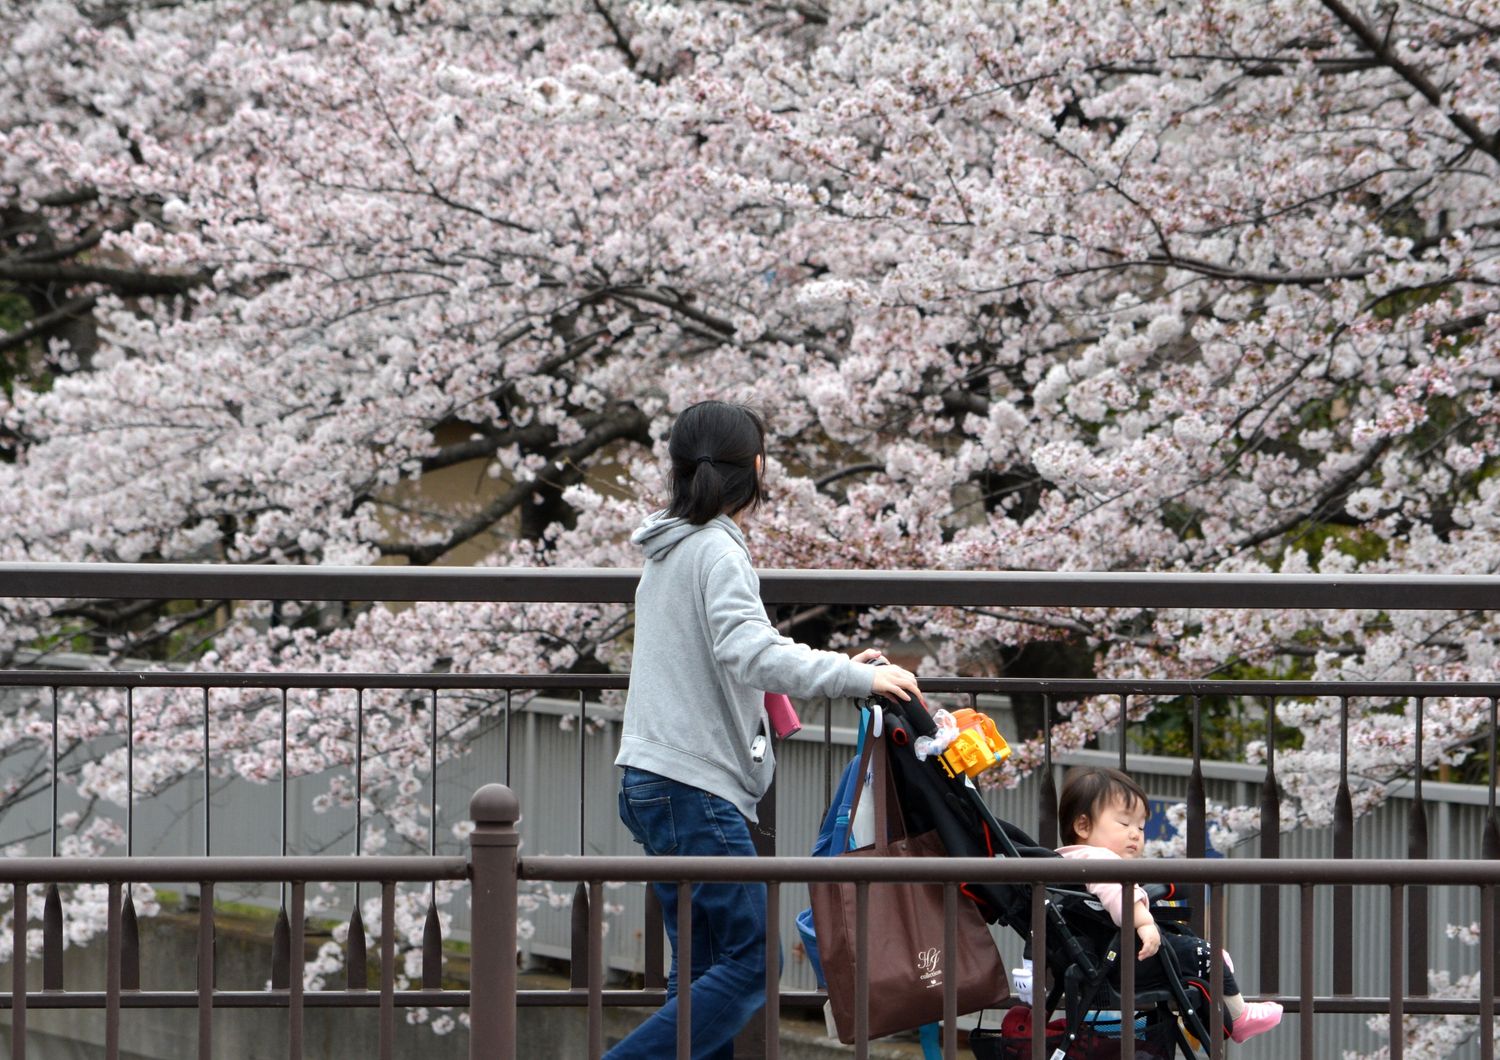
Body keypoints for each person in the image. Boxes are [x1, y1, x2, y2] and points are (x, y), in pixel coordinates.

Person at [608, 400, 924, 1060]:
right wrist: (855, 678)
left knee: (700, 974)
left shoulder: (668, 548)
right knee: (753, 964)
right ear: (756, 468)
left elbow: (735, 644)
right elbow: (749, 652)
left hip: (653, 778)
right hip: (693, 787)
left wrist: (840, 665)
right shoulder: (718, 549)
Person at [1055, 766, 1283, 1045]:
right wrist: (1144, 922)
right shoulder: (1097, 860)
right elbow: (1119, 896)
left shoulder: (1066, 862)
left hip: (1102, 956)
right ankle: (1238, 1017)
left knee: (1192, 949)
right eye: (1124, 824)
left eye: (1140, 827)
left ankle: (1211, 1002)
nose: (1136, 834)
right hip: (1123, 959)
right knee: (1205, 954)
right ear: (1083, 826)